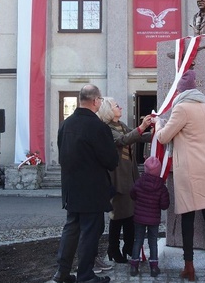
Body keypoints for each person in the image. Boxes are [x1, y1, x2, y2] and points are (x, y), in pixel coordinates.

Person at [155, 69, 205, 282]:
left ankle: (189, 267)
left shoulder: (182, 108)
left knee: (187, 218)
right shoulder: (204, 107)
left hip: (189, 170)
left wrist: (159, 123)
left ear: (180, 90)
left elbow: (164, 137)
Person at [52, 84, 119, 283]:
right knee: (90, 232)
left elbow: (62, 153)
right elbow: (111, 161)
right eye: (99, 100)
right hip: (92, 189)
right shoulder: (98, 127)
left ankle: (61, 272)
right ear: (95, 101)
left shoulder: (65, 124)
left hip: (71, 188)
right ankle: (85, 275)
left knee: (71, 228)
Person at [95, 97, 152, 265]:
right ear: (108, 110)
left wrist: (158, 133)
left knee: (130, 215)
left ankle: (128, 247)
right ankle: (113, 248)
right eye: (116, 105)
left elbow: (137, 136)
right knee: (118, 216)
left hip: (130, 175)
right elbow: (123, 140)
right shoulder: (107, 128)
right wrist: (142, 128)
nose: (120, 107)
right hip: (117, 177)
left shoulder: (121, 125)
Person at [128, 156, 170, 277]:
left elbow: (132, 194)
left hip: (139, 218)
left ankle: (134, 266)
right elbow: (164, 205)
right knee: (153, 242)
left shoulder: (139, 182)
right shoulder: (161, 187)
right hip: (154, 219)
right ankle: (154, 267)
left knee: (138, 241)